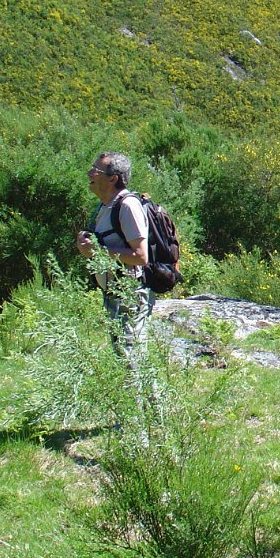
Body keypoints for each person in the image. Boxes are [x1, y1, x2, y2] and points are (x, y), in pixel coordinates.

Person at [76, 152, 154, 384]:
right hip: (114, 293)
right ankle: (152, 406)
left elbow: (141, 256)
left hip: (129, 293)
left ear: (113, 178)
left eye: (96, 171)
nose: (89, 174)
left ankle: (135, 408)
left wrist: (98, 250)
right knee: (130, 355)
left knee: (129, 357)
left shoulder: (127, 206)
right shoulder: (104, 206)